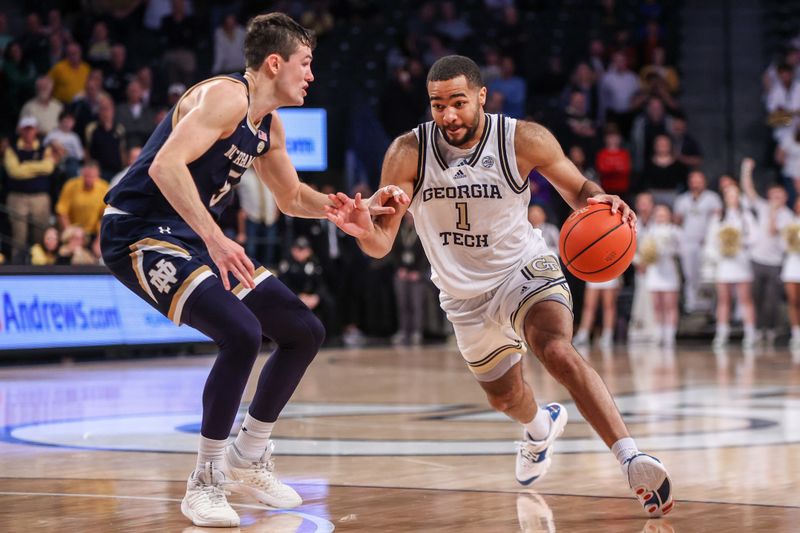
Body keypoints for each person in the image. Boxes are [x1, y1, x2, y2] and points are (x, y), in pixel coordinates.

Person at [325, 55, 673, 517]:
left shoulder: (520, 138)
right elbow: (381, 244)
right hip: (462, 295)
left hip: (522, 269)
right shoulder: (408, 152)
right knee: (504, 397)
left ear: (482, 97)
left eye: (458, 102)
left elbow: (576, 188)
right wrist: (363, 229)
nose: (448, 115)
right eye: (437, 105)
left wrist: (598, 198)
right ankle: (537, 429)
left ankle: (632, 458)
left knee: (555, 348)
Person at [100, 14, 401, 528]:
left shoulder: (268, 124)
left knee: (303, 331)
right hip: (138, 231)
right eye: (306, 64)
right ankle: (205, 482)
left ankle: (248, 455)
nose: (311, 76)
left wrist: (352, 208)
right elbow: (164, 167)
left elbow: (290, 197)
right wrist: (217, 238)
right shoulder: (226, 98)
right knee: (240, 334)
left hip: (192, 236)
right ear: (275, 63)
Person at [704, 183, 758, 348]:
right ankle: (722, 333)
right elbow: (710, 242)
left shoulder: (746, 216)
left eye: (735, 195)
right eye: (729, 195)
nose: (732, 198)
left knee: (745, 299)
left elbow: (755, 237)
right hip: (724, 263)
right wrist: (721, 252)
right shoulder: (718, 218)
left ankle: (750, 334)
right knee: (724, 300)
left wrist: (739, 245)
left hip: (740, 262)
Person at [673, 170, 722, 313]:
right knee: (689, 274)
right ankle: (691, 304)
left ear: (704, 182)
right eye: (693, 180)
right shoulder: (682, 200)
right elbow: (677, 221)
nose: (696, 183)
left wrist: (710, 238)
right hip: (688, 242)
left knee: (707, 274)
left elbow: (717, 219)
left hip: (707, 243)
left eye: (699, 180)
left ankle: (708, 306)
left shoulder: (712, 198)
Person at [640, 204, 681, 347]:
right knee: (657, 305)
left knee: (670, 304)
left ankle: (670, 335)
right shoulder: (649, 231)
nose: (661, 217)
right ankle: (659, 333)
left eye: (663, 215)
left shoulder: (674, 231)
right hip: (654, 271)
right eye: (658, 215)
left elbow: (680, 249)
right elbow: (642, 249)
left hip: (668, 270)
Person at [780, 196, 800, 348]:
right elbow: (781, 243)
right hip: (792, 265)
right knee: (793, 300)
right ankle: (796, 333)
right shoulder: (789, 222)